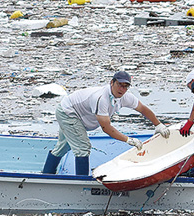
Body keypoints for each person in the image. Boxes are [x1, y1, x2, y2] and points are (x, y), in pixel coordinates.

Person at [43, 71, 171, 176]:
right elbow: (106, 127)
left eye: (126, 86)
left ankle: (47, 174)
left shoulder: (126, 97)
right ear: (112, 83)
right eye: (120, 85)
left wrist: (158, 124)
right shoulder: (101, 98)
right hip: (69, 113)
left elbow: (143, 109)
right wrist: (128, 140)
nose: (122, 89)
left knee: (64, 145)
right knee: (82, 147)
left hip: (78, 114)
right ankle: (80, 182)